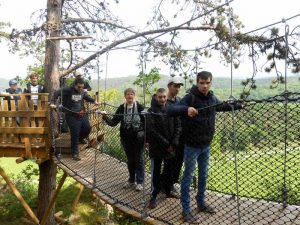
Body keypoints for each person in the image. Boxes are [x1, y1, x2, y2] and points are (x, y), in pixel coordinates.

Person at [167, 71, 244, 223]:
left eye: (207, 82)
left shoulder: (211, 98)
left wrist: (239, 105)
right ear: (197, 83)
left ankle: (201, 203)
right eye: (201, 83)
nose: (204, 85)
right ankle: (186, 210)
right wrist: (186, 109)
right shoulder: (190, 97)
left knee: (203, 176)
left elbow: (222, 106)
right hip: (191, 146)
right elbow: (170, 110)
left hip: (206, 145)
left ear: (211, 83)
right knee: (188, 177)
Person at [101, 88, 145, 191]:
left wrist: (147, 139)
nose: (130, 96)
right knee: (130, 160)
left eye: (132, 94)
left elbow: (147, 123)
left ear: (134, 96)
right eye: (128, 94)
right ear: (125, 96)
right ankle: (131, 180)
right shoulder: (121, 108)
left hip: (138, 138)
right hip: (126, 138)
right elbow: (113, 123)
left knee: (139, 159)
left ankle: (140, 182)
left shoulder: (139, 107)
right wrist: (105, 116)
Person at [147, 88, 181, 209]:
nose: (162, 99)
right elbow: (152, 131)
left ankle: (168, 190)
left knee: (169, 169)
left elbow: (178, 126)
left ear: (167, 97)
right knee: (156, 171)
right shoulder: (151, 111)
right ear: (156, 97)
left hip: (171, 146)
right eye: (160, 97)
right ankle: (154, 195)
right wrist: (167, 144)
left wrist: (174, 142)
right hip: (158, 147)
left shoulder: (172, 109)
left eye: (164, 97)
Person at [51, 77, 100, 161]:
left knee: (87, 128)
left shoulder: (81, 91)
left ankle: (80, 139)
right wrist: (52, 103)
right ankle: (75, 153)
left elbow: (85, 96)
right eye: (79, 87)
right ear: (74, 85)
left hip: (81, 113)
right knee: (75, 133)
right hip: (71, 115)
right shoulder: (67, 90)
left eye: (82, 87)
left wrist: (94, 101)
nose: (80, 89)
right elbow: (56, 93)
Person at [161, 76, 184, 196]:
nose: (178, 88)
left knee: (178, 163)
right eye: (175, 86)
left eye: (179, 86)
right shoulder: (164, 103)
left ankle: (168, 185)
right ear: (169, 86)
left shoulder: (180, 100)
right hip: (169, 138)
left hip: (180, 137)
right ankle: (168, 188)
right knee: (169, 163)